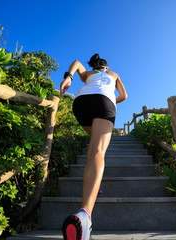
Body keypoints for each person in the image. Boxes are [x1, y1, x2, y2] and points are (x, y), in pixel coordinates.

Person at [59, 53, 127, 240]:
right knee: (98, 151)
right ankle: (85, 216)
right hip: (104, 101)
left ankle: (94, 183)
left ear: (96, 66)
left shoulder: (88, 75)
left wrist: (68, 77)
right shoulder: (113, 74)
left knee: (95, 146)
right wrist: (111, 99)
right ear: (106, 67)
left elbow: (76, 63)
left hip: (82, 102)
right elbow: (124, 95)